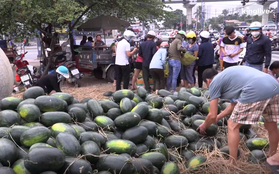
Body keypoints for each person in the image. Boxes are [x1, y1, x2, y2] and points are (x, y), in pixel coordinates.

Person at [197, 67, 279, 167]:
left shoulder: (214, 82)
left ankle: (232, 163)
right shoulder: (229, 78)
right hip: (274, 86)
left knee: (232, 125)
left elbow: (211, 114)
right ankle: (273, 156)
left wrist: (204, 125)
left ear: (208, 80)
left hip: (256, 89)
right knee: (271, 123)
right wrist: (218, 117)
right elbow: (233, 105)